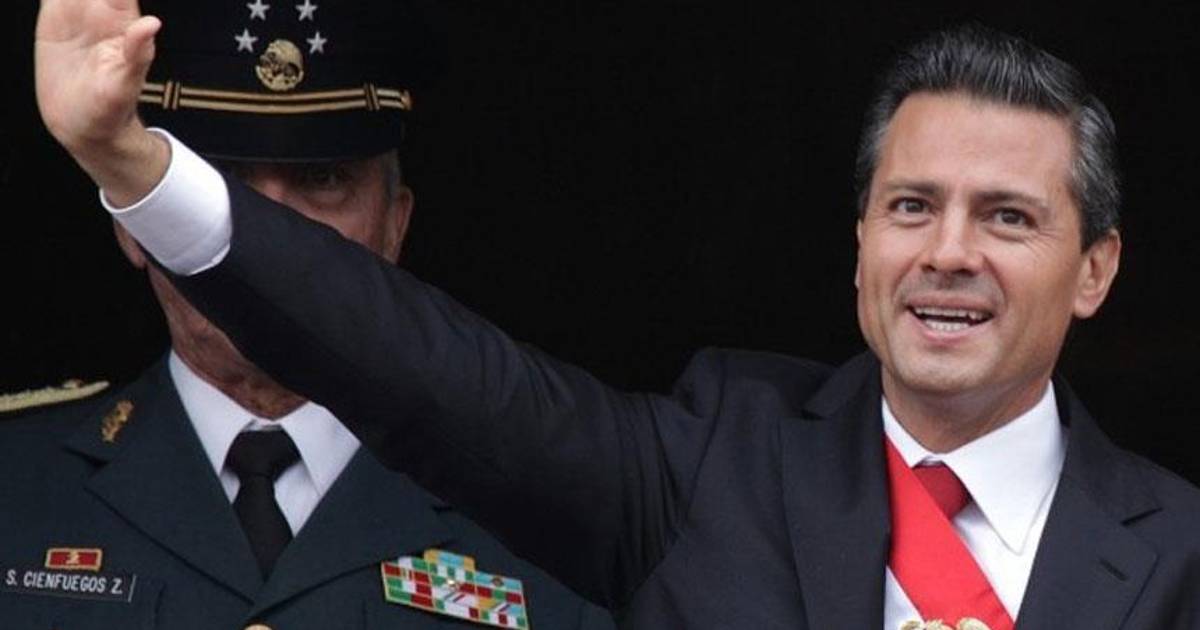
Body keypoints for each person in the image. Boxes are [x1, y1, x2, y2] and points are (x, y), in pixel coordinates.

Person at [34, 1, 1200, 626]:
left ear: (1095, 270)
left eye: (1007, 218)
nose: (947, 253)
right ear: (859, 245)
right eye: (911, 206)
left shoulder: (1181, 555)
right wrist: (134, 164)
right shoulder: (704, 471)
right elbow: (407, 358)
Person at [7, 1, 614, 628]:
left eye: (323, 179)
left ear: (394, 226)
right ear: (134, 224)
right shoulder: (14, 482)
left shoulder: (543, 520)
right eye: (218, 179)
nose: (268, 232)